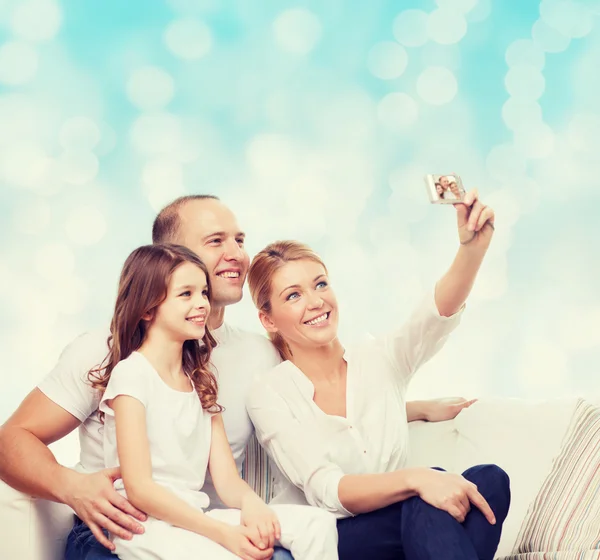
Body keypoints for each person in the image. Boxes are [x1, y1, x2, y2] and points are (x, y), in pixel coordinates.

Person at [0, 194, 478, 560]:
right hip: (122, 533)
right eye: (215, 241)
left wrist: (411, 408)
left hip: (207, 529)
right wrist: (70, 485)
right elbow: (12, 440)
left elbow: (320, 398)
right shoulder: (107, 353)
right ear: (167, 257)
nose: (236, 253)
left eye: (239, 239)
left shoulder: (258, 355)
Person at [246, 189, 511, 560]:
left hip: (407, 526)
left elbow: (432, 319)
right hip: (332, 539)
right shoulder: (269, 394)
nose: (316, 301)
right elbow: (327, 489)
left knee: (489, 480)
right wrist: (416, 478)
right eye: (293, 295)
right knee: (427, 492)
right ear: (268, 319)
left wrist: (472, 250)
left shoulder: (377, 360)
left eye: (320, 283)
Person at [91, 242, 338, 559]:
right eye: (186, 294)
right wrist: (224, 535)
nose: (202, 304)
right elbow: (140, 489)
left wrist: (252, 506)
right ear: (148, 308)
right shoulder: (131, 375)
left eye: (204, 293)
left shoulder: (200, 380)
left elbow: (227, 480)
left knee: (317, 524)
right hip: (145, 527)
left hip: (194, 517)